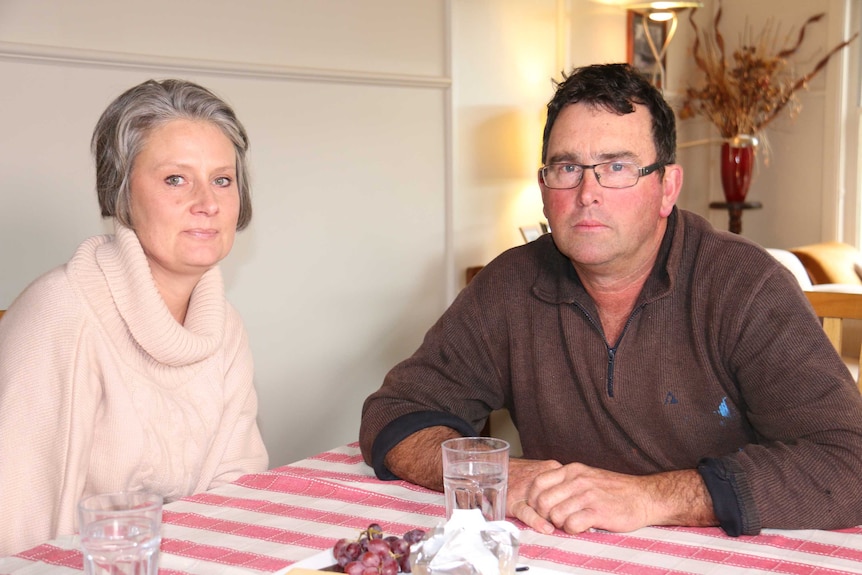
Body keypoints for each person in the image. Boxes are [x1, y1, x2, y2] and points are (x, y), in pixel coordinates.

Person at [359, 63, 862, 537]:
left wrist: (652, 499)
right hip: (562, 556)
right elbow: (395, 414)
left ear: (667, 187)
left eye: (617, 167)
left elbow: (850, 460)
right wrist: (500, 476)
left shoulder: (745, 286)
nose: (586, 193)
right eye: (567, 168)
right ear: (543, 189)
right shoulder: (509, 284)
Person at [0, 79, 268, 555]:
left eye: (222, 180)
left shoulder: (224, 326)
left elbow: (237, 493)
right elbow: (13, 529)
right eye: (175, 179)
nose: (208, 203)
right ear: (121, 192)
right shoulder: (61, 312)